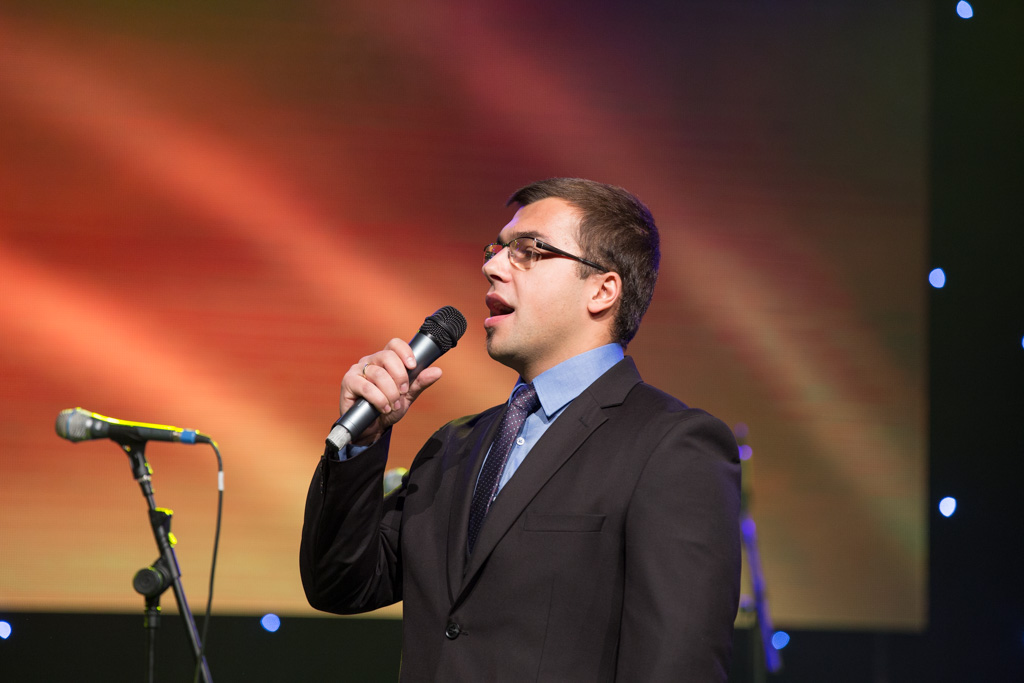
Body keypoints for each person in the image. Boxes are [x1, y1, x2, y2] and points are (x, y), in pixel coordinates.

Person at [300, 178, 741, 682]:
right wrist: (361, 444)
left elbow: (677, 665)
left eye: (528, 250)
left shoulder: (672, 447)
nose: (492, 267)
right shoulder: (454, 446)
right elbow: (340, 584)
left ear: (602, 290)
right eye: (496, 250)